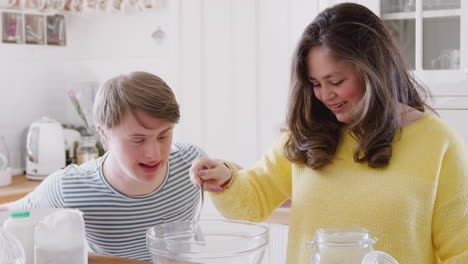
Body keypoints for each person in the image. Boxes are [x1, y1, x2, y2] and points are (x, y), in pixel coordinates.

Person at [190, 3, 467, 264]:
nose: (325, 95)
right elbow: (252, 202)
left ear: (374, 70)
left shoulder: (438, 142)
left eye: (336, 81)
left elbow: (461, 249)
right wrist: (225, 179)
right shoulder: (307, 135)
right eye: (315, 83)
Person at [0, 71, 206, 261]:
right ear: (104, 134)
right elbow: (8, 213)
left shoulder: (191, 163)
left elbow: (234, 180)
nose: (155, 153)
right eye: (138, 140)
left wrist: (230, 179)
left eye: (164, 135)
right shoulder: (70, 187)